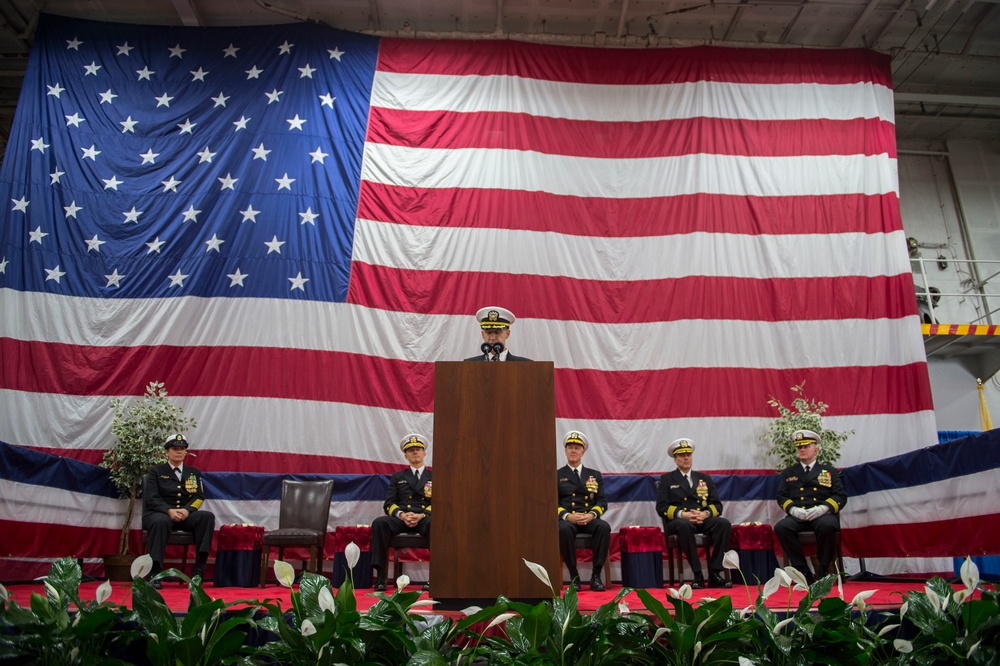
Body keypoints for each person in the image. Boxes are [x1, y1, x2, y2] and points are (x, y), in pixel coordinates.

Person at [656, 438, 733, 589]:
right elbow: (662, 507)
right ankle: (697, 574)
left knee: (723, 524)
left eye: (688, 455)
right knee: (685, 526)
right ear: (675, 459)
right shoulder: (667, 479)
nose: (686, 458)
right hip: (680, 522)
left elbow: (717, 505)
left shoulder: (704, 478)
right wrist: (682, 514)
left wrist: (705, 514)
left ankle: (715, 573)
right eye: (682, 455)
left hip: (701, 519)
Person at [773, 429, 848, 583]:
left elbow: (840, 496)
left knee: (826, 525)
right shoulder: (789, 473)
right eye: (799, 447)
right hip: (799, 515)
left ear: (816, 450)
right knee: (782, 527)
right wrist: (793, 510)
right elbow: (781, 496)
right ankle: (803, 570)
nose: (802, 449)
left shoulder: (829, 471)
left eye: (806, 446)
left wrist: (824, 508)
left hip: (822, 514)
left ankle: (823, 569)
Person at [142, 434, 215, 588]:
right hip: (160, 513)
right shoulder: (156, 471)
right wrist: (168, 510)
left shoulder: (193, 472)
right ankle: (155, 572)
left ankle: (198, 570)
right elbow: (151, 497)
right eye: (175, 449)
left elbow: (199, 496)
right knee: (160, 522)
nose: (179, 452)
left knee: (206, 517)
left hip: (184, 514)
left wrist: (188, 510)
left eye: (182, 449)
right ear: (166, 452)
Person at [371, 433, 433, 591]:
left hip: (424, 518)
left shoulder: (434, 476)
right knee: (380, 523)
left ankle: (435, 578)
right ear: (405, 455)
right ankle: (380, 578)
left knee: (436, 524)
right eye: (410, 450)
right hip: (402, 519)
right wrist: (402, 515)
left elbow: (438, 503)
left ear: (424, 453)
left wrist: (422, 515)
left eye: (418, 449)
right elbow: (389, 503)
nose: (415, 452)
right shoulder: (398, 477)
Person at [557, 431, 611, 591]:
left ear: (583, 452)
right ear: (565, 451)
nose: (573, 451)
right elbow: (552, 502)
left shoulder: (594, 475)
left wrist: (591, 515)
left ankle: (596, 576)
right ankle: (574, 577)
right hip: (568, 519)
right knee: (563, 529)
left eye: (577, 448)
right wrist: (568, 516)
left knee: (603, 527)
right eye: (570, 448)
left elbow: (602, 501)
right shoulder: (557, 475)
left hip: (588, 518)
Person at [463, 306, 532, 361]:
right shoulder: (470, 364)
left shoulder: (524, 365)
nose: (492, 337)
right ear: (482, 334)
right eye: (488, 332)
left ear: (507, 334)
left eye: (497, 332)